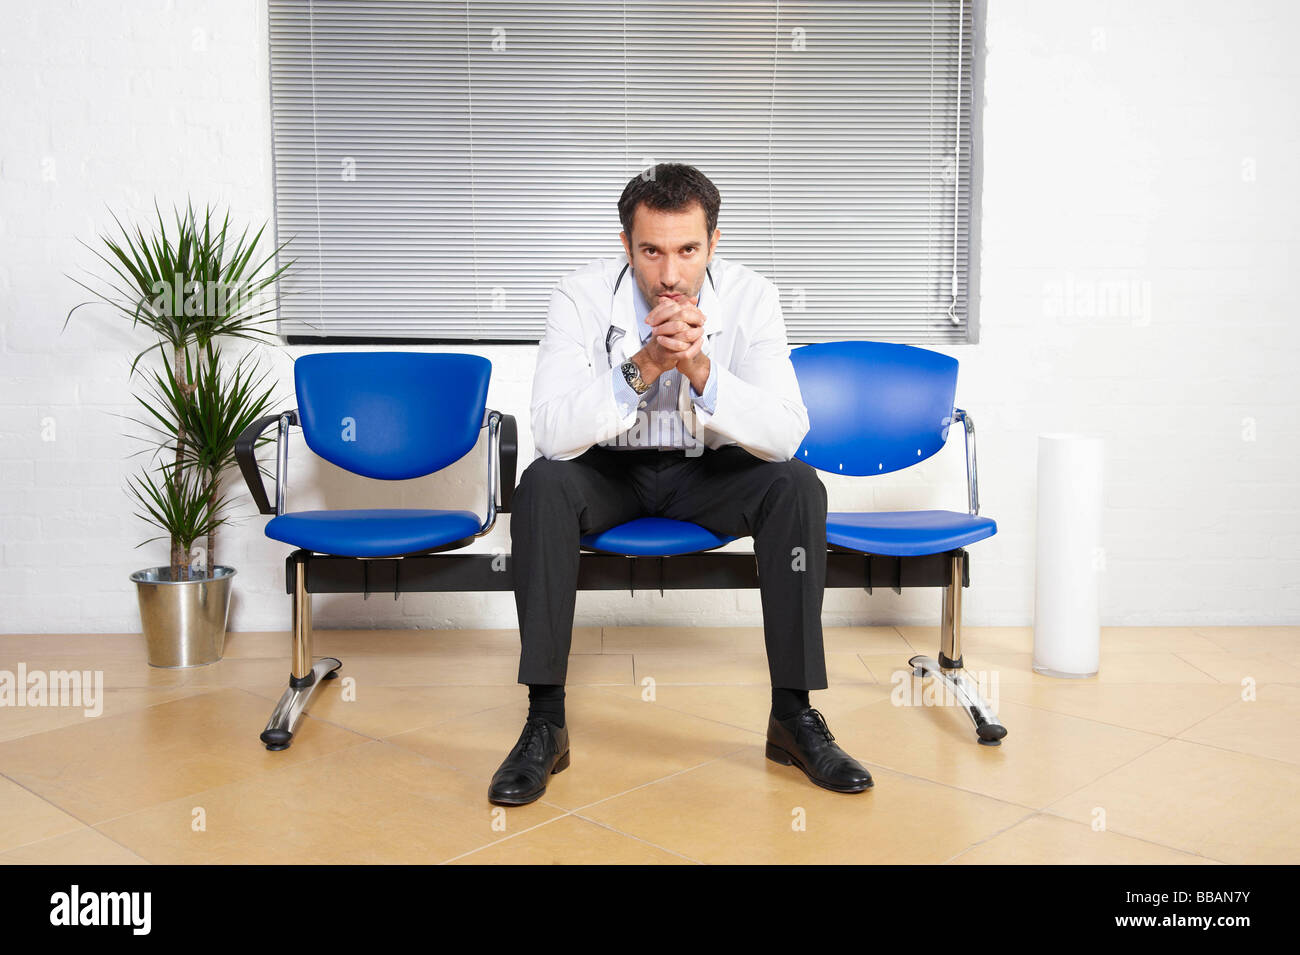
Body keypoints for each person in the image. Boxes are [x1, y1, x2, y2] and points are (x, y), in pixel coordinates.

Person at [489, 163, 873, 805]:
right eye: (652, 251)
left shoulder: (754, 297)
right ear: (626, 245)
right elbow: (553, 434)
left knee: (797, 485)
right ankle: (544, 721)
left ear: (713, 243)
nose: (670, 274)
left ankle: (794, 715)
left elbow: (784, 435)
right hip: (608, 472)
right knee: (543, 484)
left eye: (688, 250)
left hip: (708, 473)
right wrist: (641, 366)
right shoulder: (577, 297)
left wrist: (698, 368)